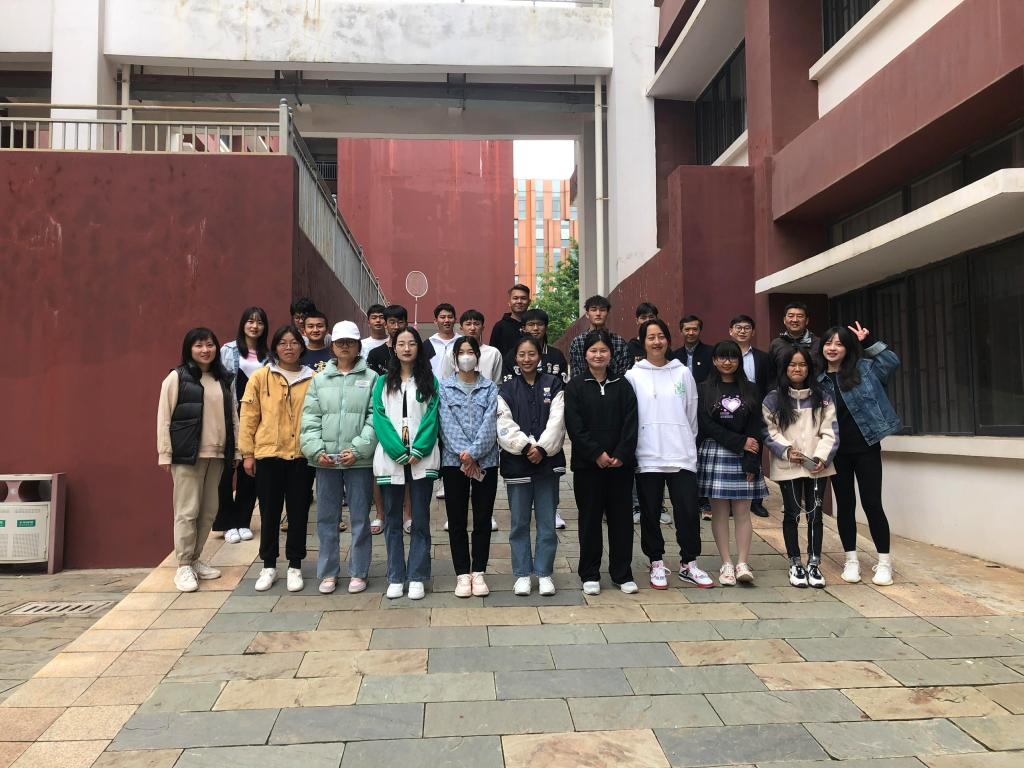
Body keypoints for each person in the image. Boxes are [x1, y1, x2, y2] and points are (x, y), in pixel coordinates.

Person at [625, 319, 713, 590]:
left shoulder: (682, 372)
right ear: (643, 342)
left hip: (680, 453)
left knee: (688, 511)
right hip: (648, 454)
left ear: (668, 339)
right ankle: (656, 562)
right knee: (650, 512)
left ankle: (689, 563)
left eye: (661, 336)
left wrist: (684, 441)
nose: (656, 342)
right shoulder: (633, 376)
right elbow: (631, 416)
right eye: (650, 337)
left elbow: (691, 414)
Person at [818, 322, 901, 587]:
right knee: (845, 506)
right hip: (836, 452)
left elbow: (891, 362)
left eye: (839, 343)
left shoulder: (864, 369)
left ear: (847, 348)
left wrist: (869, 341)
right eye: (828, 343)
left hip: (866, 447)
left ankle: (884, 562)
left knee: (872, 503)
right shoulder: (817, 380)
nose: (832, 348)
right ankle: (851, 560)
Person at [300, 321, 379, 595]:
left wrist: (357, 450)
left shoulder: (372, 378)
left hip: (358, 461)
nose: (344, 346)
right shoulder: (319, 379)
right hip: (325, 461)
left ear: (358, 346)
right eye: (340, 342)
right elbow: (310, 418)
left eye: (350, 342)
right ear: (332, 346)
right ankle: (328, 571)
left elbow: (375, 417)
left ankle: (359, 571)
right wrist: (315, 450)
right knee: (326, 518)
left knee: (360, 518)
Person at [158, 327, 239, 592]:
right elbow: (164, 417)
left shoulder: (223, 378)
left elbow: (233, 417)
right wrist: (165, 453)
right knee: (187, 511)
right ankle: (183, 565)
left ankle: (195, 559)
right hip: (187, 455)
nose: (205, 350)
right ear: (189, 349)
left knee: (208, 511)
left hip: (217, 455)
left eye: (210, 345)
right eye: (199, 345)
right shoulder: (177, 377)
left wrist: (236, 450)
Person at [240, 325, 316, 593]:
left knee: (298, 513)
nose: (288, 347)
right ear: (274, 348)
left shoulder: (313, 378)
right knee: (269, 512)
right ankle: (268, 565)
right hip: (269, 455)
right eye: (283, 343)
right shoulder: (261, 377)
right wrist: (247, 453)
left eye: (294, 342)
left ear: (301, 347)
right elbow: (249, 416)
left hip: (301, 456)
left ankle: (295, 565)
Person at [564, 329, 639, 596]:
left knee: (621, 520)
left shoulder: (623, 385)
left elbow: (631, 423)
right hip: (588, 467)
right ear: (585, 354)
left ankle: (622, 573)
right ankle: (590, 573)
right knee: (590, 520)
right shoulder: (575, 386)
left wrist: (621, 454)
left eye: (603, 351)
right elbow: (575, 426)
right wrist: (596, 453)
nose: (598, 355)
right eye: (593, 350)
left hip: (620, 466)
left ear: (611, 354)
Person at [372, 326, 440, 600]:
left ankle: (418, 576)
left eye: (412, 343)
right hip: (392, 457)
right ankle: (395, 576)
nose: (407, 348)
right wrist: (396, 449)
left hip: (422, 457)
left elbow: (432, 416)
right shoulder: (382, 382)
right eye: (401, 343)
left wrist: (420, 448)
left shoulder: (429, 380)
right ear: (394, 347)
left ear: (418, 348)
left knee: (420, 518)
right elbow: (379, 416)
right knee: (392, 518)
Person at [763, 348, 838, 588]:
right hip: (788, 465)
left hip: (817, 466)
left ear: (810, 368)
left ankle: (814, 564)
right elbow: (768, 431)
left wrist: (821, 458)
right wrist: (787, 450)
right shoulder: (773, 399)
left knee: (815, 515)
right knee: (792, 513)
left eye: (803, 364)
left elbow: (831, 431)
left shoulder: (823, 397)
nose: (798, 369)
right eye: (792, 365)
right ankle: (795, 563)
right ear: (784, 368)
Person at [498, 337, 566, 597]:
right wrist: (526, 448)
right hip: (517, 464)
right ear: (515, 358)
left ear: (539, 357)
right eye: (522, 354)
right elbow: (503, 424)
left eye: (531, 354)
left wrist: (543, 449)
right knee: (519, 522)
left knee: (547, 521)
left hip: (548, 464)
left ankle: (544, 573)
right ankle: (522, 574)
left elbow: (558, 420)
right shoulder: (506, 389)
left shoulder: (554, 383)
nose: (527, 359)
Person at [697, 340, 768, 587]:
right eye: (722, 357)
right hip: (716, 451)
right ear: (714, 360)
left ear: (739, 360)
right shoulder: (704, 388)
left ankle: (742, 563)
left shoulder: (751, 389)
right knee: (718, 512)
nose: (727, 362)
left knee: (742, 512)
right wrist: (739, 442)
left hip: (744, 454)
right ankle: (726, 562)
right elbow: (705, 424)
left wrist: (751, 460)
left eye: (733, 357)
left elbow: (756, 426)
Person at [438, 336, 499, 598]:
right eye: (461, 352)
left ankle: (479, 571)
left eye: (470, 351)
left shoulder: (490, 388)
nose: (466, 356)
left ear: (477, 356)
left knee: (483, 518)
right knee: (457, 519)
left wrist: (474, 453)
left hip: (486, 461)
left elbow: (491, 423)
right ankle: (462, 573)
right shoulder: (444, 387)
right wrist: (464, 455)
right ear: (454, 358)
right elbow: (446, 423)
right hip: (454, 463)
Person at [213, 307, 268, 544]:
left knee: (250, 470)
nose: (254, 326)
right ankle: (227, 522)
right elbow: (217, 382)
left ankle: (243, 520)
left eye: (259, 322)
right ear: (243, 324)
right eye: (250, 321)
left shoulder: (269, 356)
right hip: (230, 416)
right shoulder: (227, 350)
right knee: (225, 471)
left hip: (257, 418)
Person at [728, 314, 773, 518]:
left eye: (747, 328)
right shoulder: (724, 354)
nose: (742, 331)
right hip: (729, 410)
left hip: (755, 411)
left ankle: (756, 500)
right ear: (731, 331)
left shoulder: (763, 358)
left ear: (753, 332)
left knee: (755, 451)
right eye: (738, 327)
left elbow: (769, 383)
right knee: (732, 453)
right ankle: (730, 499)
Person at [568, 295, 631, 378]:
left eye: (602, 310)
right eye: (593, 310)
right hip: (583, 385)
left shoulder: (619, 341)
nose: (598, 313)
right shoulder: (577, 342)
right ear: (587, 314)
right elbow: (575, 375)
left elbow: (624, 373)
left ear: (608, 313)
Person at [501, 308, 569, 384]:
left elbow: (563, 386)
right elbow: (508, 387)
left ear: (546, 328)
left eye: (540, 324)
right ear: (523, 328)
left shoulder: (557, 356)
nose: (535, 328)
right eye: (531, 324)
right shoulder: (512, 356)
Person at [366, 304, 435, 376]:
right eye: (392, 323)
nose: (396, 327)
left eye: (400, 322)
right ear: (385, 325)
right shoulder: (375, 354)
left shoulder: (416, 351)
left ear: (406, 324)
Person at [440, 309, 503, 382]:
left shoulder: (493, 353)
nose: (472, 328)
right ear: (461, 328)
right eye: (468, 324)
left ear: (482, 328)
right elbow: (447, 381)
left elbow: (497, 383)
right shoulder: (452, 352)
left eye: (476, 324)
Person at [768, 302, 821, 380]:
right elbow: (771, 373)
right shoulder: (776, 344)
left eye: (800, 316)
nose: (795, 320)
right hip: (783, 387)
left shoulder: (818, 343)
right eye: (791, 316)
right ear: (784, 320)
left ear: (806, 321)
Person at [489, 283, 531, 356]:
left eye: (523, 298)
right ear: (509, 302)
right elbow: (494, 355)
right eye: (515, 298)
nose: (519, 301)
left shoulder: (535, 325)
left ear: (529, 302)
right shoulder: (500, 327)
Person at [673, 315, 712, 384]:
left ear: (700, 330)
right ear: (681, 331)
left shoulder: (711, 352)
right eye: (687, 330)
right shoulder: (674, 356)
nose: (691, 333)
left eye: (694, 329)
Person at [428, 303, 459, 381]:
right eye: (442, 317)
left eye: (450, 317)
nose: (447, 320)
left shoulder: (462, 342)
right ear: (435, 321)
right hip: (434, 387)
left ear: (455, 320)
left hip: (457, 387)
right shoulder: (428, 344)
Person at [300, 309, 333, 374]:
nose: (315, 330)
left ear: (327, 330)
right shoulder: (298, 355)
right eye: (310, 326)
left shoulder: (334, 355)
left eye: (319, 326)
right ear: (304, 331)